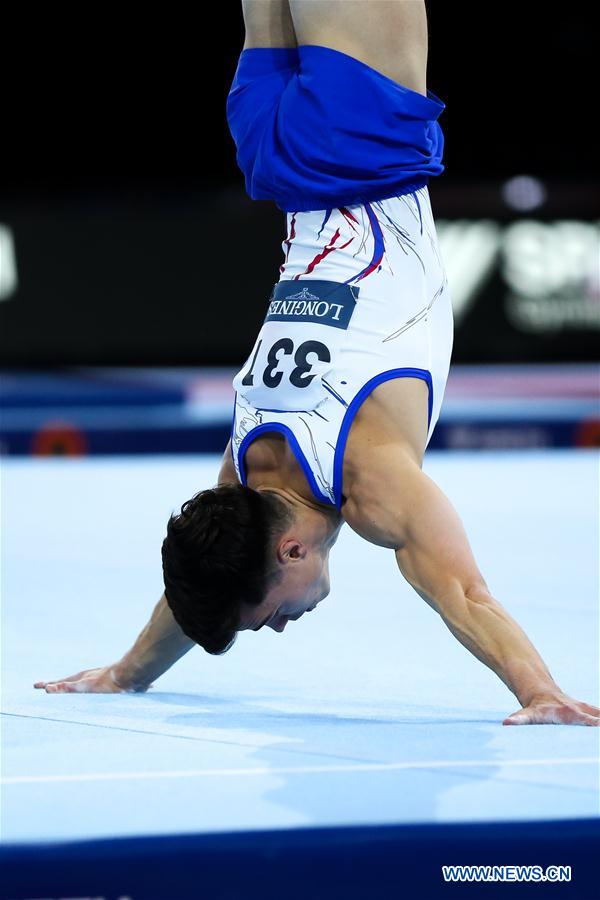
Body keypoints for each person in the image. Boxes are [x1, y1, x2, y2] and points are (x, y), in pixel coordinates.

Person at [35, 1, 598, 726]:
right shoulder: (239, 484)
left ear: (293, 550)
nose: (274, 627)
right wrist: (126, 673)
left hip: (359, 144)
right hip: (272, 157)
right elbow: (202, 583)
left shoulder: (368, 480)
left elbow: (465, 593)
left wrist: (539, 691)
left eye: (264, 614)